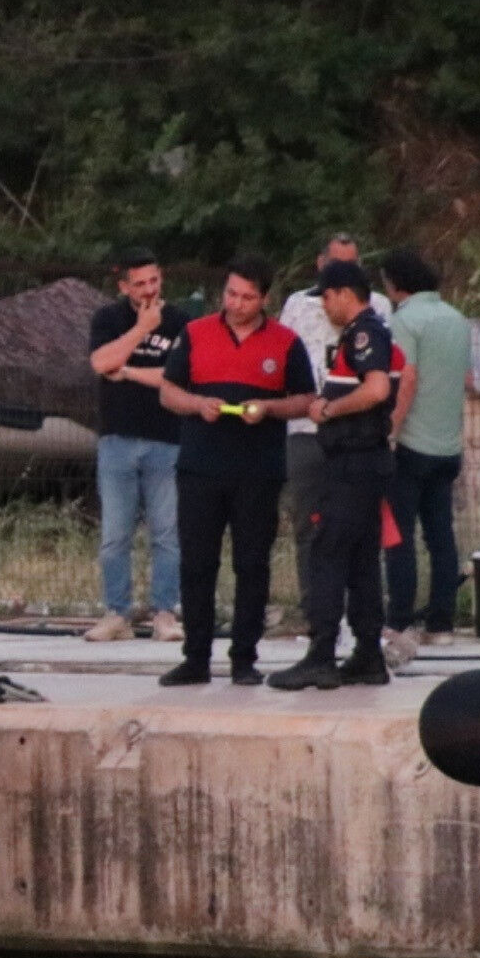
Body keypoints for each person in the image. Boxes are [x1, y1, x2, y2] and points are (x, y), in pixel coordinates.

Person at [156, 257, 314, 686]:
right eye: (231, 294)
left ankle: (244, 657)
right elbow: (169, 392)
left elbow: (305, 400)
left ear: (265, 299)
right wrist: (196, 404)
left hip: (258, 471)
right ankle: (196, 658)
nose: (237, 304)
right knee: (198, 563)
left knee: (252, 564)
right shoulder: (194, 332)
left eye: (247, 297)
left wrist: (268, 409)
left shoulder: (285, 342)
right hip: (200, 467)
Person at [270, 261, 397, 690]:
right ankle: (367, 654)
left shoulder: (364, 333)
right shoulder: (363, 333)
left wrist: (329, 409)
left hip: (353, 462)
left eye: (326, 297)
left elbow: (377, 389)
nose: (324, 306)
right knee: (361, 560)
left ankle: (321, 654)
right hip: (361, 460)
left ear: (345, 293)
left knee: (327, 552)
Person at [84, 248, 187, 643]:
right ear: (124, 285)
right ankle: (117, 612)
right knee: (115, 534)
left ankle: (165, 612)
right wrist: (142, 329)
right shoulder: (108, 318)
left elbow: (176, 377)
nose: (148, 290)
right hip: (117, 439)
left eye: (154, 281)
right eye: (140, 283)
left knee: (166, 532)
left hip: (167, 439)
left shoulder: (180, 322)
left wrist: (126, 370)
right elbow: (99, 363)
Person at [279, 234, 392, 584]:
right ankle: (314, 606)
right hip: (306, 432)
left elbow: (386, 377)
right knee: (307, 521)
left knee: (357, 527)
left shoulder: (377, 310)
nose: (344, 270)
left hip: (355, 434)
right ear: (320, 264)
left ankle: (353, 609)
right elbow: (285, 357)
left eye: (352, 264)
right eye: (336, 263)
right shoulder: (299, 305)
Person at [378, 249, 472, 650]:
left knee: (399, 536)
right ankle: (441, 621)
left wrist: (391, 431)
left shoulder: (403, 321)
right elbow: (466, 377)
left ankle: (400, 619)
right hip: (448, 444)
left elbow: (407, 377)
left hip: (411, 444)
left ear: (396, 283)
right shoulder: (457, 320)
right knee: (441, 536)